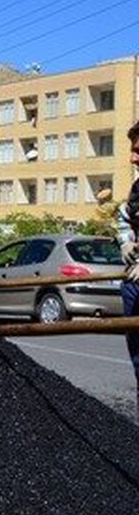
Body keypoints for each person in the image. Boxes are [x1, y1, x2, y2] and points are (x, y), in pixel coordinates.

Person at [117, 120, 139, 406]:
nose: (133, 157)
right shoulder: (137, 189)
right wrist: (125, 240)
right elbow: (124, 215)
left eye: (138, 150)